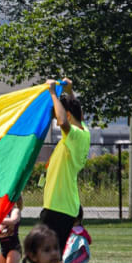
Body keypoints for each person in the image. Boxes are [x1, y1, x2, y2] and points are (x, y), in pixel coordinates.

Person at [38, 78, 89, 250]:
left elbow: (63, 122)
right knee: (49, 258)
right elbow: (76, 113)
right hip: (64, 207)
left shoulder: (74, 135)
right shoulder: (84, 133)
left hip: (58, 207)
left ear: (67, 114)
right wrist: (69, 91)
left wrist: (53, 93)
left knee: (42, 257)